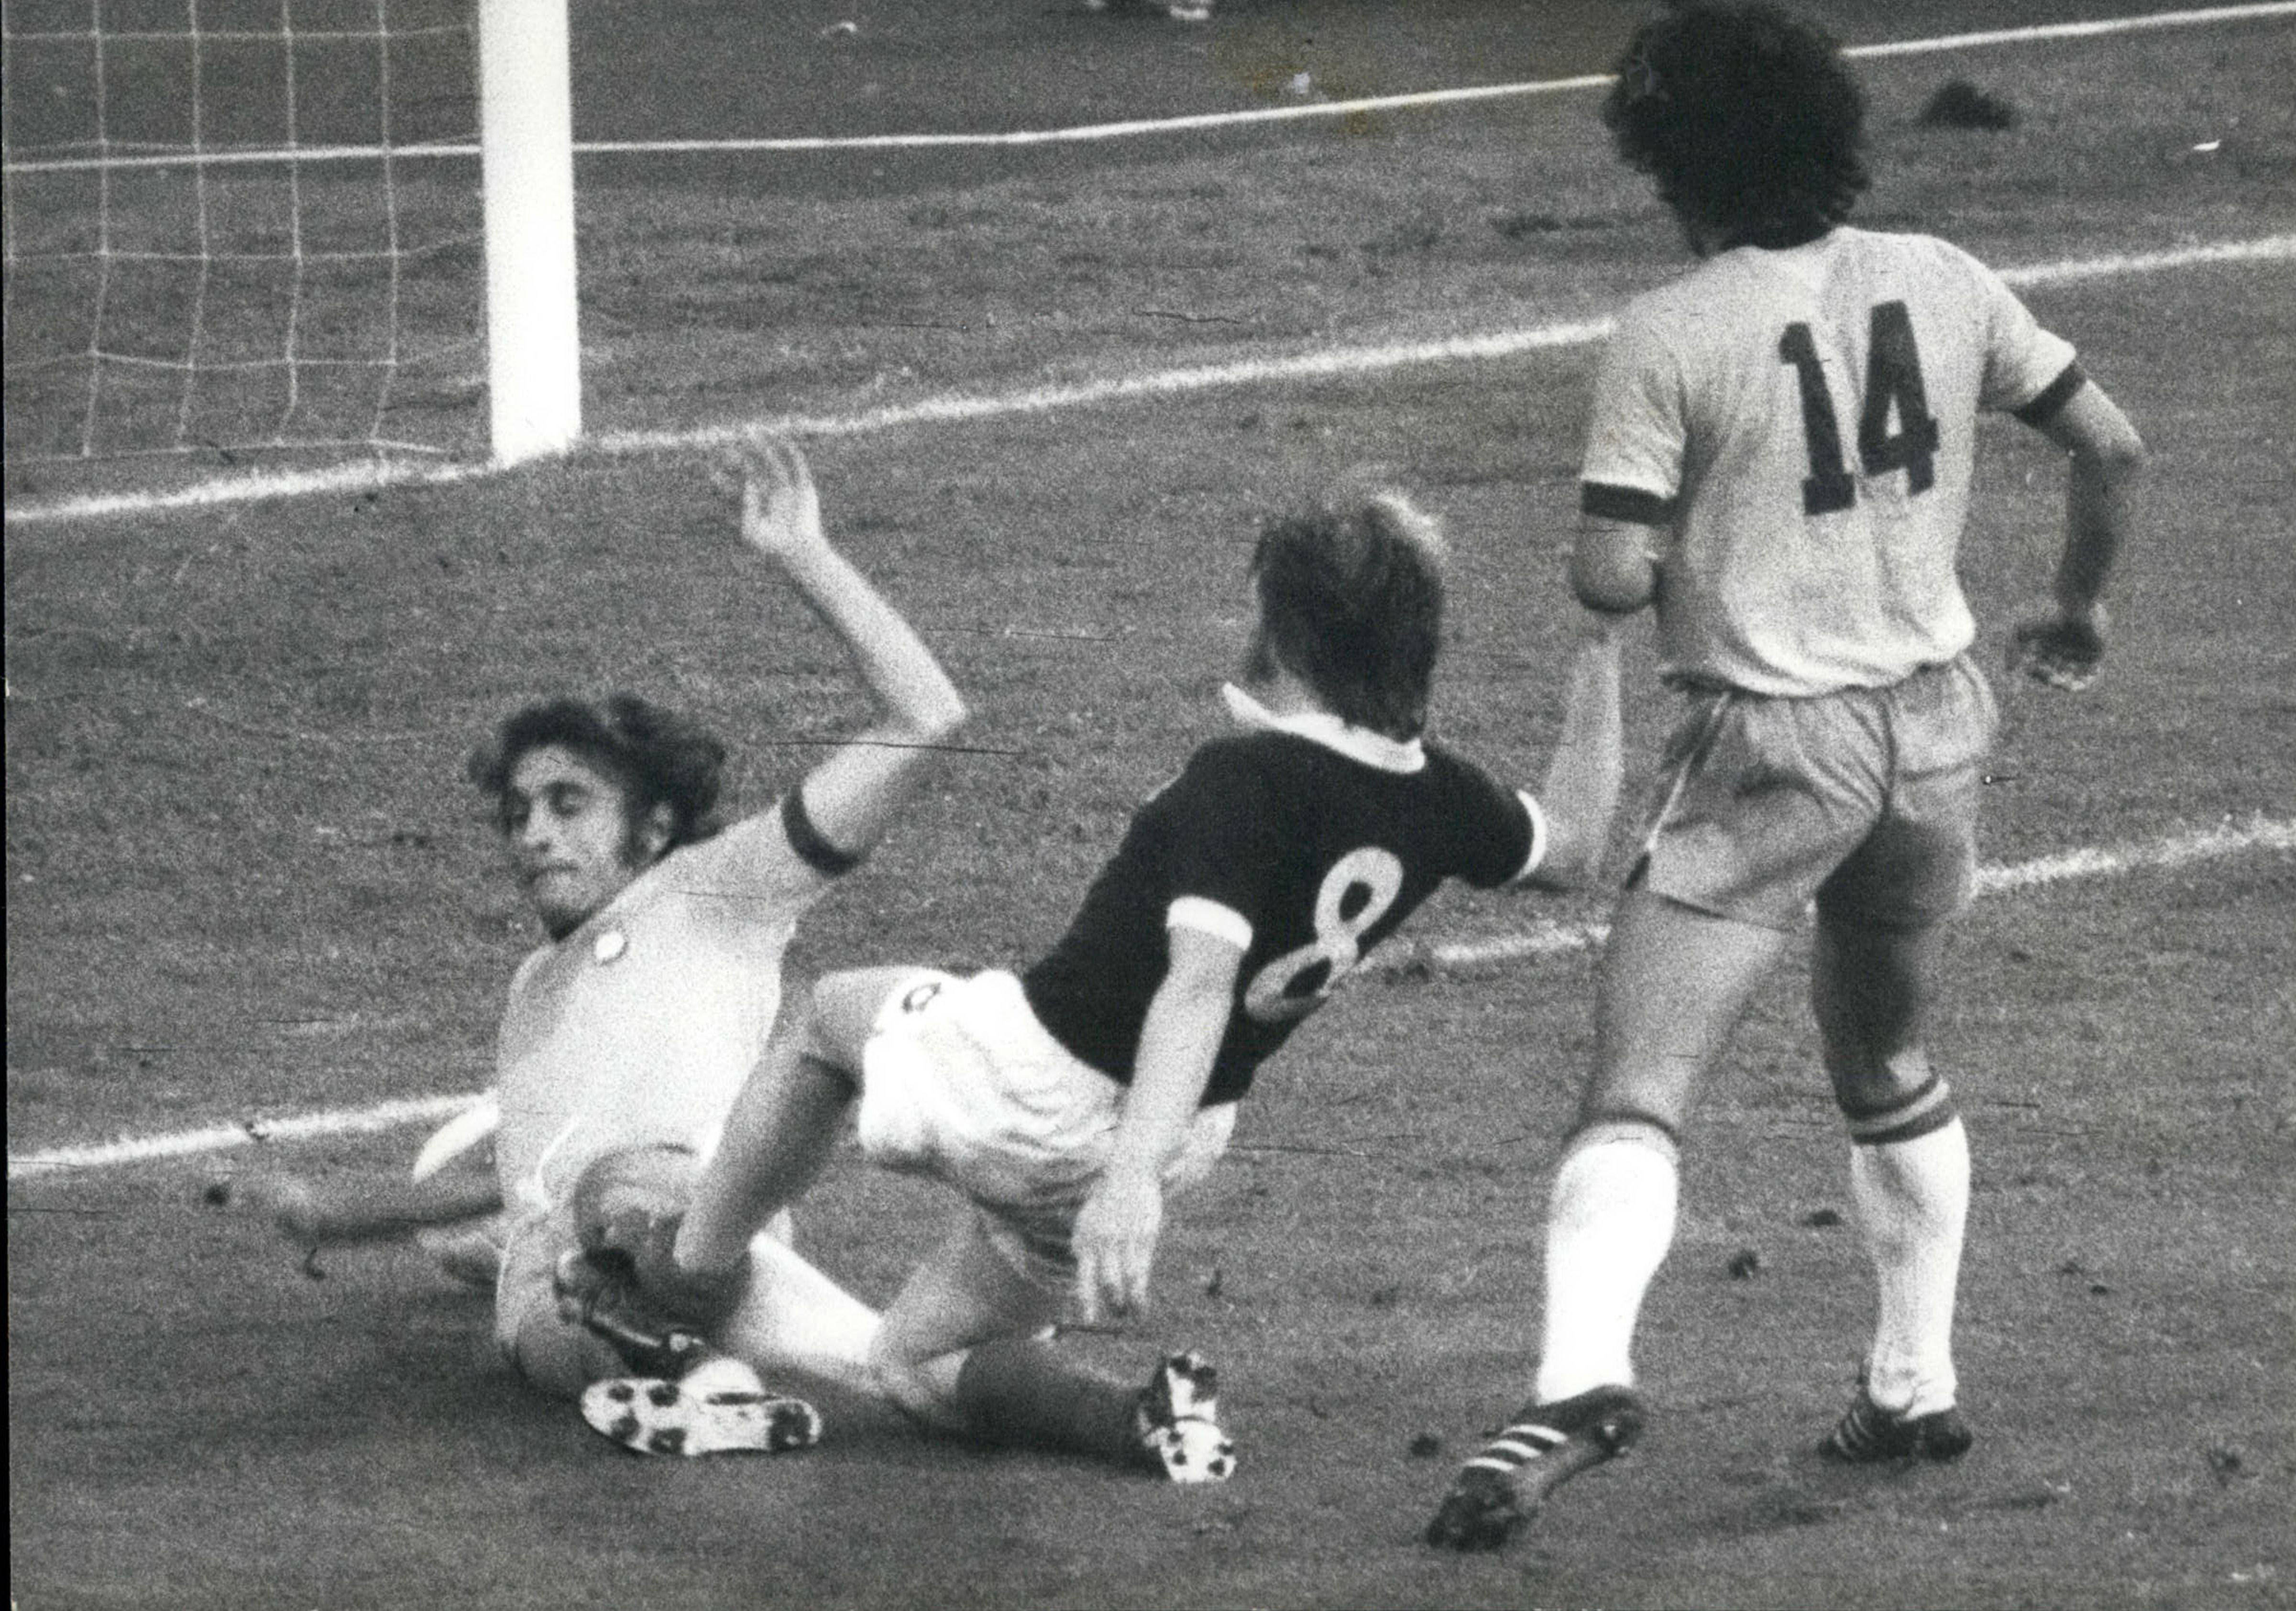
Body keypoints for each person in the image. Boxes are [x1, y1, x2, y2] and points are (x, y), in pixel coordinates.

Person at [1424, 0, 2146, 1550]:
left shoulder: (1669, 329)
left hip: (1772, 745)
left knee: (1637, 1084)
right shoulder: (1942, 279)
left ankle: (1577, 1377)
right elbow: (2109, 446)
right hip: (1935, 725)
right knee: (1882, 1060)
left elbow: (1610, 577)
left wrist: (1655, 540)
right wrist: (2076, 608)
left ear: (1666, 162)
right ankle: (1909, 1379)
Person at [575, 492, 1574, 1477]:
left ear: (1291, 636)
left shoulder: (1246, 778)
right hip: (1177, 1127)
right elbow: (1572, 842)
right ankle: (1140, 1422)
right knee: (914, 1364)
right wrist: (1603, 654)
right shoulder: (1445, 795)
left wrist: (1128, 1187)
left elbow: (1198, 981)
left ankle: (681, 1283)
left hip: (1039, 1083)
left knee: (831, 1018)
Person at [238, 434, 968, 1429]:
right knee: (565, 1266)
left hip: (685, 1236)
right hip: (558, 1302)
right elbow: (510, 1187)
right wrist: (331, 1215)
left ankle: (699, 1373)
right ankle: (713, 1389)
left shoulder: (716, 892)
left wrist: (802, 555)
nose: (533, 834)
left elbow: (927, 717)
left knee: (616, 1194)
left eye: (568, 803)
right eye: (517, 813)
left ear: (655, 824)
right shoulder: (532, 988)